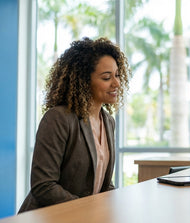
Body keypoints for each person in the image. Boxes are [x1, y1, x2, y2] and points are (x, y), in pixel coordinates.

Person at [18, 37, 131, 213]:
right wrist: (86, 209)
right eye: (107, 77)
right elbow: (43, 185)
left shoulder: (108, 121)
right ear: (84, 81)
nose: (116, 83)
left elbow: (103, 183)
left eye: (117, 75)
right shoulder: (58, 118)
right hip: (48, 217)